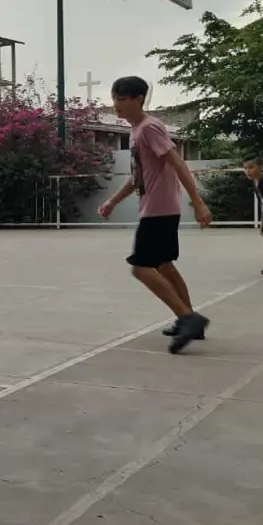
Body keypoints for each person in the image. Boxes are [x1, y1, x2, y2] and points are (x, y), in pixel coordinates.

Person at [98, 76, 212, 353]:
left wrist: (198, 202)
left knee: (140, 268)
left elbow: (177, 163)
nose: (117, 105)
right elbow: (139, 177)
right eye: (114, 99)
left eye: (123, 99)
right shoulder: (136, 131)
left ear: (139, 99)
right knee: (164, 266)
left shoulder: (149, 128)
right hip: (155, 207)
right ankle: (187, 318)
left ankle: (189, 318)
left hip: (160, 210)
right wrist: (113, 201)